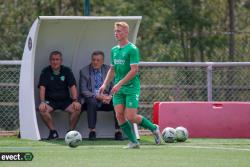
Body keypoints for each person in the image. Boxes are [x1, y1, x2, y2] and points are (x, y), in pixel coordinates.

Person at [99, 22, 162, 149]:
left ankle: (154, 128)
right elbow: (112, 69)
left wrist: (119, 84)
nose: (116, 33)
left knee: (131, 116)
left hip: (132, 87)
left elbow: (134, 71)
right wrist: (104, 84)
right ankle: (134, 142)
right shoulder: (114, 50)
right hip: (119, 88)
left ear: (126, 33)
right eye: (115, 31)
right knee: (119, 115)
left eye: (119, 31)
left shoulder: (132, 49)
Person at [79, 50, 123, 140]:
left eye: (98, 60)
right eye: (93, 60)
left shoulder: (109, 70)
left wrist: (109, 96)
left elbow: (114, 86)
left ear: (102, 61)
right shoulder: (84, 71)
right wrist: (97, 96)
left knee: (117, 100)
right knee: (92, 102)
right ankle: (92, 131)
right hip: (92, 98)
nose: (95, 62)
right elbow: (84, 90)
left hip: (107, 98)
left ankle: (118, 131)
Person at [38, 51, 81, 140]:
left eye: (57, 59)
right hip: (50, 101)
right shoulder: (45, 71)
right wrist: (42, 102)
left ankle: (70, 133)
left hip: (65, 101)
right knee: (42, 109)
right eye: (53, 59)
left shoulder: (67, 70)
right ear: (50, 61)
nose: (55, 62)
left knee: (77, 108)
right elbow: (42, 88)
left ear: (61, 61)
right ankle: (53, 132)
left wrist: (75, 101)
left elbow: (72, 86)